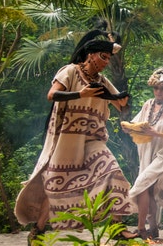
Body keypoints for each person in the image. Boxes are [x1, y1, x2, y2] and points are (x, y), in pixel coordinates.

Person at [14, 29, 137, 245]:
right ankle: (39, 229)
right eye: (103, 57)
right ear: (91, 55)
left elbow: (120, 107)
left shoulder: (102, 81)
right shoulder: (70, 71)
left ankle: (117, 227)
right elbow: (52, 95)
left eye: (108, 59)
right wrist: (81, 94)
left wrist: (124, 103)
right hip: (65, 141)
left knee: (113, 171)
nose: (106, 62)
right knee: (55, 186)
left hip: (92, 140)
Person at [123, 67, 163, 240]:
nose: (159, 91)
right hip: (147, 153)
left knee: (141, 184)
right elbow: (138, 124)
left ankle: (141, 227)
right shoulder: (148, 105)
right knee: (148, 190)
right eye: (156, 88)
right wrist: (128, 127)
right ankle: (153, 228)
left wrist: (156, 134)